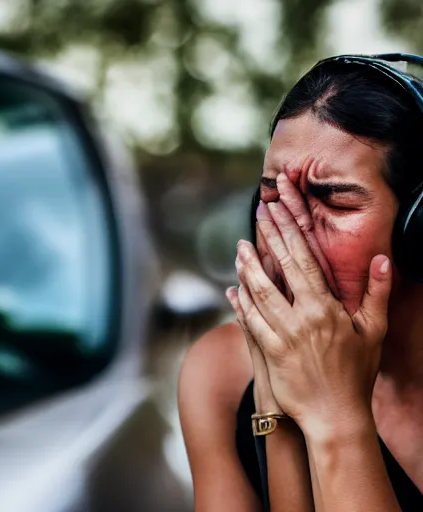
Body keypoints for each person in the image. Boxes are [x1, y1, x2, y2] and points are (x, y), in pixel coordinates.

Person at [178, 54, 423, 511]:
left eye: (336, 203)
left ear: (417, 228)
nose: (291, 233)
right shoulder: (222, 374)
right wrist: (278, 414)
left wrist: (334, 416)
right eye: (272, 197)